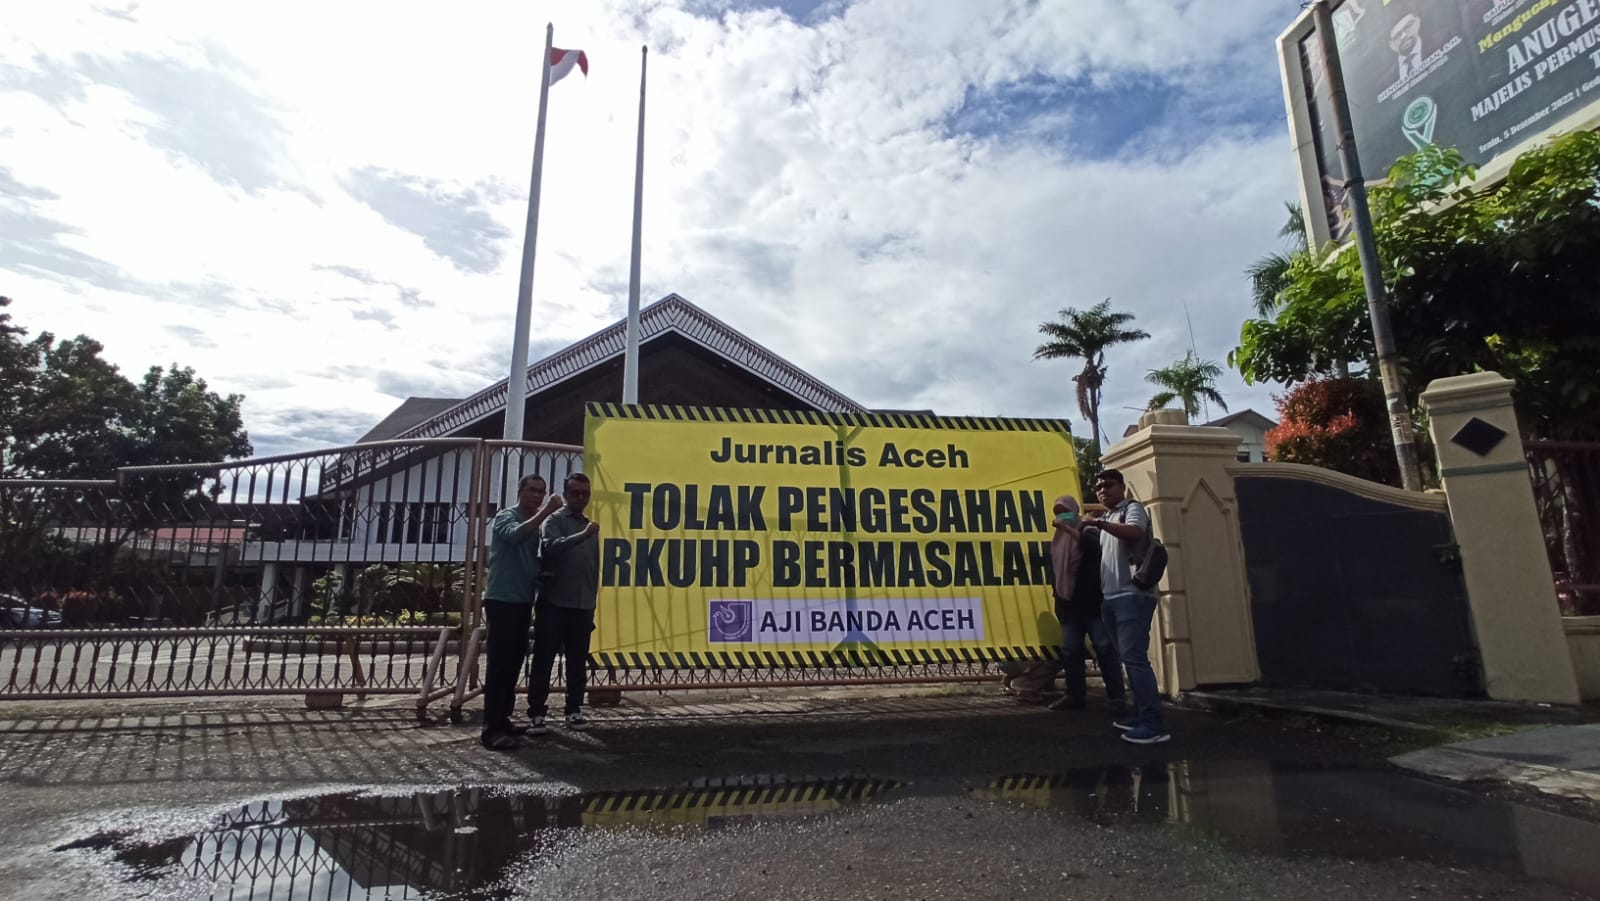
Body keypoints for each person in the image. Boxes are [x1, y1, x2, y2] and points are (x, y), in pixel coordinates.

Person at [1083, 469, 1169, 745]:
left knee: (1134, 659)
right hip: (1111, 598)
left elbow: (1133, 531)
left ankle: (1153, 725)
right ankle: (1139, 714)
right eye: (1098, 486)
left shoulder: (1132, 509)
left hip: (1133, 596)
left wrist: (1099, 525)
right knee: (1126, 659)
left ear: (1122, 487)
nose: (1102, 490)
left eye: (1108, 485)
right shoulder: (1107, 517)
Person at [480, 475, 564, 751]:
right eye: (532, 490)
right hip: (502, 600)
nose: (537, 496)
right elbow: (515, 536)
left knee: (513, 664)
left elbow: (527, 557)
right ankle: (491, 729)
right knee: (499, 666)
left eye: (541, 492)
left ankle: (502, 720)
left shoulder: (534, 524)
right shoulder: (507, 516)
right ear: (520, 491)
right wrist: (547, 512)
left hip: (521, 600)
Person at [529, 472, 601, 732]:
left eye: (585, 493)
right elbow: (550, 548)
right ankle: (537, 713)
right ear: (567, 494)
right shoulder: (554, 521)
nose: (581, 498)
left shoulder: (589, 524)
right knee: (544, 660)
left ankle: (574, 710)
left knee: (576, 661)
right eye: (575, 493)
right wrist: (582, 535)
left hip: (582, 604)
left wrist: (592, 598)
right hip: (554, 602)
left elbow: (593, 566)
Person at [1045, 495, 1127, 716]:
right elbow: (1056, 569)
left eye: (1066, 510)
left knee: (1104, 648)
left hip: (1092, 602)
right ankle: (1074, 695)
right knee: (1071, 651)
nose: (1062, 515)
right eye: (1058, 511)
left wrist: (1071, 529)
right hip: (1068, 605)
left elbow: (1095, 547)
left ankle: (1118, 698)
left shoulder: (1086, 528)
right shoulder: (1058, 538)